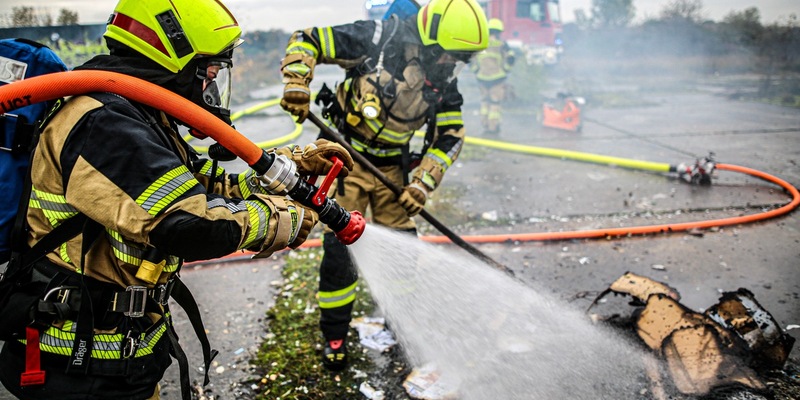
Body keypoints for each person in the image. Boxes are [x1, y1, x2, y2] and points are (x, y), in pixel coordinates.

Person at [0, 0, 352, 399]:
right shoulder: (104, 123)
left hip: (113, 360)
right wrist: (280, 219)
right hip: (76, 366)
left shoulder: (135, 115)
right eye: (210, 74)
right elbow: (187, 222)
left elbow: (198, 186)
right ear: (174, 57)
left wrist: (292, 169)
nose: (211, 89)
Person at [279, 0, 489, 371]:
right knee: (341, 253)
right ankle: (335, 335)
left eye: (462, 59)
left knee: (404, 250)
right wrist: (297, 81)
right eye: (450, 55)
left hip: (391, 167)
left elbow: (450, 137)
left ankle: (400, 324)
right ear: (429, 40)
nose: (453, 65)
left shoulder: (444, 82)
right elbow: (308, 39)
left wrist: (422, 184)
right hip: (345, 160)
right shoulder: (377, 38)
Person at [472, 18, 515, 135]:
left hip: (481, 78)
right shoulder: (502, 44)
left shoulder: (480, 43)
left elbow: (470, 59)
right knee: (495, 103)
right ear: (499, 32)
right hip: (498, 78)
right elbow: (511, 58)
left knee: (484, 102)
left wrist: (476, 71)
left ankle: (485, 124)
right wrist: (506, 70)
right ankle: (493, 127)